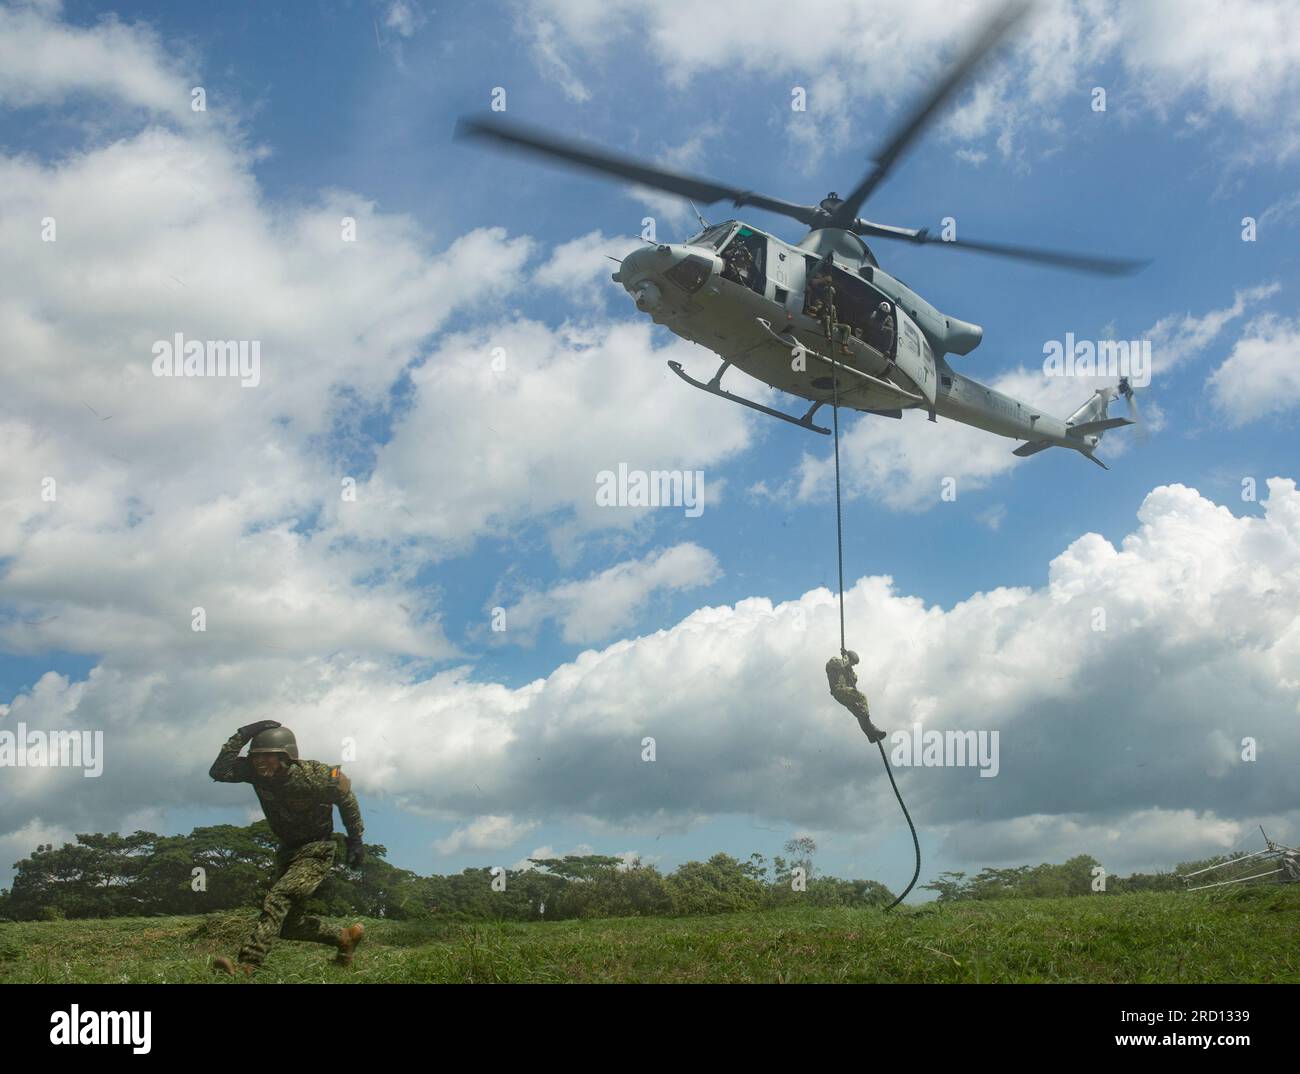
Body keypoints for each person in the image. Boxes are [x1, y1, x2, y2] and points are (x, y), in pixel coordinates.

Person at [209, 720, 366, 975]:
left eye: (267, 758)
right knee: (289, 925)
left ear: (286, 757)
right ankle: (344, 938)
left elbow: (345, 792)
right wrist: (241, 735)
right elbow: (218, 771)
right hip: (287, 851)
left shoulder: (313, 775)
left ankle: (248, 965)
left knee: (278, 898)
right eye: (256, 758)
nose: (260, 764)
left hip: (317, 849)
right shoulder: (254, 773)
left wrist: (355, 838)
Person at [825, 650, 886, 743]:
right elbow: (840, 664)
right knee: (862, 697)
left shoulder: (847, 669)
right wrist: (846, 658)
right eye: (852, 663)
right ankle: (870, 726)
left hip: (845, 694)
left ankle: (870, 734)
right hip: (839, 691)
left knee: (859, 713)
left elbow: (854, 680)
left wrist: (850, 670)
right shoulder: (833, 661)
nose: (852, 665)